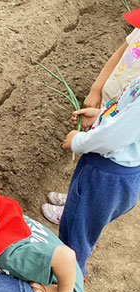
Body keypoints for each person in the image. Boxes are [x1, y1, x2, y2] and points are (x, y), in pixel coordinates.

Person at [42, 8, 140, 224]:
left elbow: (124, 128)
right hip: (107, 107)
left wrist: (79, 140)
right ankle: (75, 198)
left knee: (100, 168)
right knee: (91, 160)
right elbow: (118, 56)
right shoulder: (138, 33)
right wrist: (97, 89)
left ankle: (78, 210)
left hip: (122, 121)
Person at [59, 74, 140, 276]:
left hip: (106, 175)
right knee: (77, 223)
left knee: (75, 237)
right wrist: (101, 116)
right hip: (116, 171)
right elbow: (127, 116)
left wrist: (78, 141)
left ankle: (67, 286)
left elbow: (116, 135)